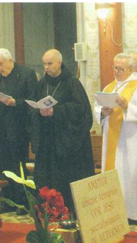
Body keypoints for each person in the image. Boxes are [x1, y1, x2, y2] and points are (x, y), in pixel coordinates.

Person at [28, 49, 95, 212]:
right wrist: (39, 111)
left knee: (65, 180)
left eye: (49, 64)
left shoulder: (72, 82)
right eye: (44, 64)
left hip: (67, 144)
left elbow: (82, 110)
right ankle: (47, 210)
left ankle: (68, 210)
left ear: (59, 63)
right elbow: (32, 108)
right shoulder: (41, 84)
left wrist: (56, 111)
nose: (46, 67)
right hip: (47, 142)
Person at [93, 53, 137, 222]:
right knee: (114, 174)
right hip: (112, 139)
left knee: (131, 175)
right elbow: (97, 108)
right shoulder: (109, 87)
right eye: (115, 68)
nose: (116, 72)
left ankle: (134, 214)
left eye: (121, 69)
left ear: (131, 69)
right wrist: (103, 112)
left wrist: (127, 106)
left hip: (131, 141)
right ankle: (113, 213)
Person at [0, 48, 37, 208]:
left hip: (18, 130)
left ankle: (23, 202)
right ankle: (7, 202)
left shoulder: (26, 74)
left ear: (10, 61)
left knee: (18, 167)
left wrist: (15, 102)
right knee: (3, 167)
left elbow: (33, 101)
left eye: (1, 64)